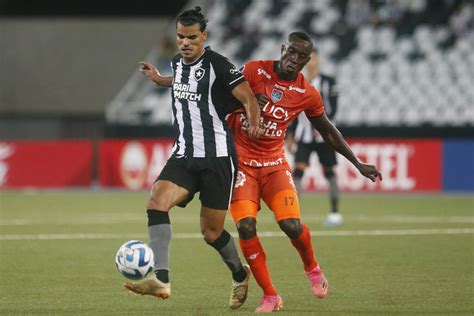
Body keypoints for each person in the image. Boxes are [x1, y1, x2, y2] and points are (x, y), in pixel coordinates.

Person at [226, 31, 382, 312]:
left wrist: (357, 163)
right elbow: (219, 96)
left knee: (291, 225)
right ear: (283, 48)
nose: (294, 60)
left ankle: (312, 268)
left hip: (274, 165)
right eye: (291, 52)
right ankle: (270, 295)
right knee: (245, 226)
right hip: (243, 166)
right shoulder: (252, 70)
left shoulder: (307, 93)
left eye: (301, 57)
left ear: (307, 60)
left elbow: (327, 130)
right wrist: (244, 102)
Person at [123, 6, 262, 310]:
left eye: (191, 38)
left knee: (211, 233)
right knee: (156, 202)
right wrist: (160, 79)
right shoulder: (177, 62)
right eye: (180, 37)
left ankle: (240, 274)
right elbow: (182, 82)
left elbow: (248, 97)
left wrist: (254, 121)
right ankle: (160, 279)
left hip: (217, 159)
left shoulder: (219, 66)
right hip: (184, 154)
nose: (184, 43)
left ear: (204, 37)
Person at [288, 47, 343, 226]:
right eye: (306, 58)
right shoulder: (296, 81)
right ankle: (292, 213)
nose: (310, 62)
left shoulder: (328, 82)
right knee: (298, 172)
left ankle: (335, 213)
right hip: (304, 137)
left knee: (329, 173)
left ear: (318, 60)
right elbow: (292, 110)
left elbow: (333, 108)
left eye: (312, 58)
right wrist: (289, 135)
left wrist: (322, 127)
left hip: (324, 137)